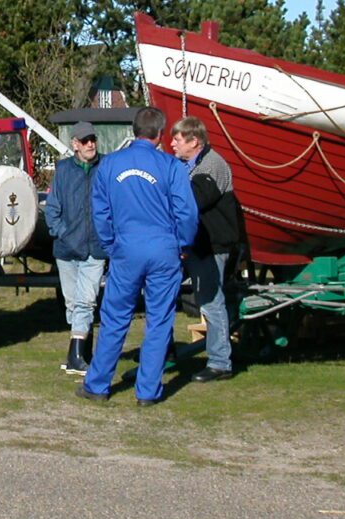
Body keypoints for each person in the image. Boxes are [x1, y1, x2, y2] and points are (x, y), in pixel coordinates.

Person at [76, 107, 198, 406]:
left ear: (134, 130)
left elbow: (100, 212)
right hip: (163, 249)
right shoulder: (171, 166)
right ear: (160, 134)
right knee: (159, 320)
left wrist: (111, 245)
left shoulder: (110, 164)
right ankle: (147, 391)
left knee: (114, 317)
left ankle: (98, 384)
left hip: (126, 248)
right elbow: (186, 212)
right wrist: (182, 244)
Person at [171, 116, 242, 382]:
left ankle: (220, 362)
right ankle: (165, 351)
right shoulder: (188, 166)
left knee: (212, 303)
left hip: (211, 246)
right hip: (196, 244)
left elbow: (193, 202)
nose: (172, 144)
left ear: (194, 142)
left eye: (177, 139)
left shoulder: (212, 165)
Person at [45, 121, 107, 375]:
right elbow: (52, 209)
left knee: (86, 301)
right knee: (72, 304)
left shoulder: (105, 167)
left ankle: (76, 357)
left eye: (93, 139)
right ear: (75, 144)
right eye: (85, 140)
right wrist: (62, 232)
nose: (90, 144)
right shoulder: (63, 170)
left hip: (96, 247)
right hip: (67, 249)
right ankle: (83, 353)